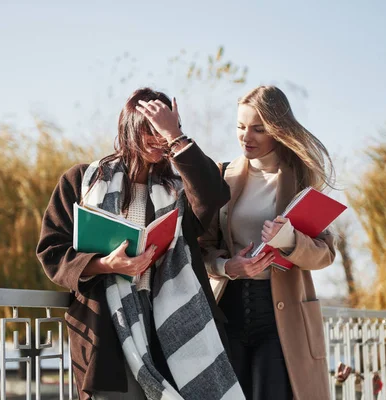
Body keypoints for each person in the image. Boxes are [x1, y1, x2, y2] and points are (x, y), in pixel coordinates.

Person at [37, 88, 243, 400]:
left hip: (172, 321)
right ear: (130, 128)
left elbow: (214, 195)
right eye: (152, 130)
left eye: (166, 130)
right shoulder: (83, 180)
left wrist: (176, 135)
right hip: (108, 324)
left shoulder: (178, 191)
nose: (160, 139)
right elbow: (52, 250)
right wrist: (108, 264)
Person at [199, 85, 336, 400]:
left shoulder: (302, 178)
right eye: (240, 127)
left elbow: (325, 253)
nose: (247, 136)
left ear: (278, 130)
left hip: (281, 319)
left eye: (258, 129)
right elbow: (202, 248)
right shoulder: (222, 176)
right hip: (227, 310)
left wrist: (287, 239)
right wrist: (226, 266)